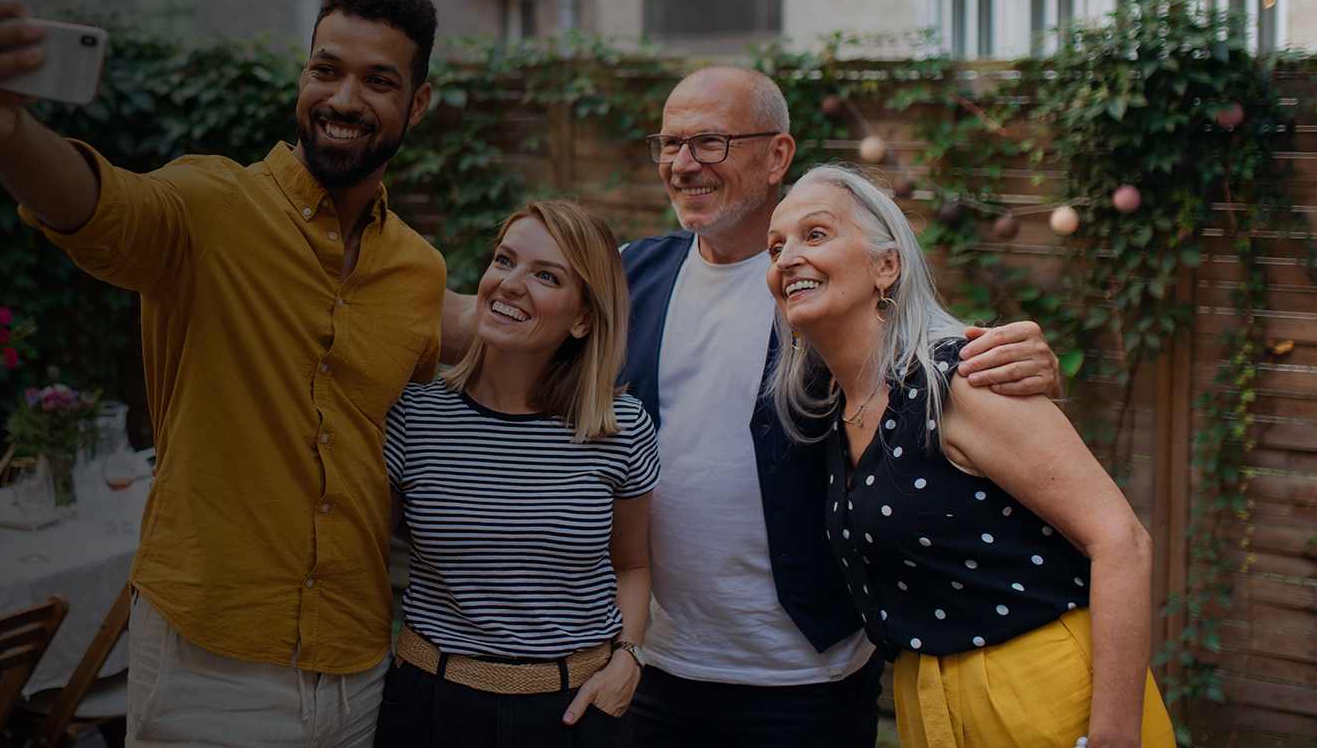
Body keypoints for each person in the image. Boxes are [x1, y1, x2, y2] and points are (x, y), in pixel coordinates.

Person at [441, 67, 1062, 745]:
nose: (683, 165)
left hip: (804, 677)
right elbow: (504, 319)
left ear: (778, 156)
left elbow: (931, 349)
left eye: (710, 143)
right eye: (669, 144)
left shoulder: (824, 283)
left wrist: (1030, 358)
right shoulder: (627, 274)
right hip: (653, 665)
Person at [0, 0, 445, 746]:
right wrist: (4, 133)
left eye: (379, 80)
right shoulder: (208, 206)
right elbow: (96, 205)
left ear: (416, 105)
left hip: (355, 665)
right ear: (302, 77)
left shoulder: (418, 273)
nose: (344, 99)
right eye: (326, 70)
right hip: (210, 666)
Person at [764, 164, 1173, 748]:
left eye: (816, 234)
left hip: (1042, 689)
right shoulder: (835, 403)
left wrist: (1114, 736)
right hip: (927, 698)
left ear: (887, 265)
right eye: (775, 248)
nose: (786, 259)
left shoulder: (963, 378)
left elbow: (1122, 541)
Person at [378, 201, 655, 748]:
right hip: (431, 707)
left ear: (581, 319)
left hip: (575, 713)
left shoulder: (620, 427)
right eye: (504, 261)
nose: (509, 284)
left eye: (546, 275)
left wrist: (628, 659)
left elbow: (634, 564)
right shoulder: (413, 415)